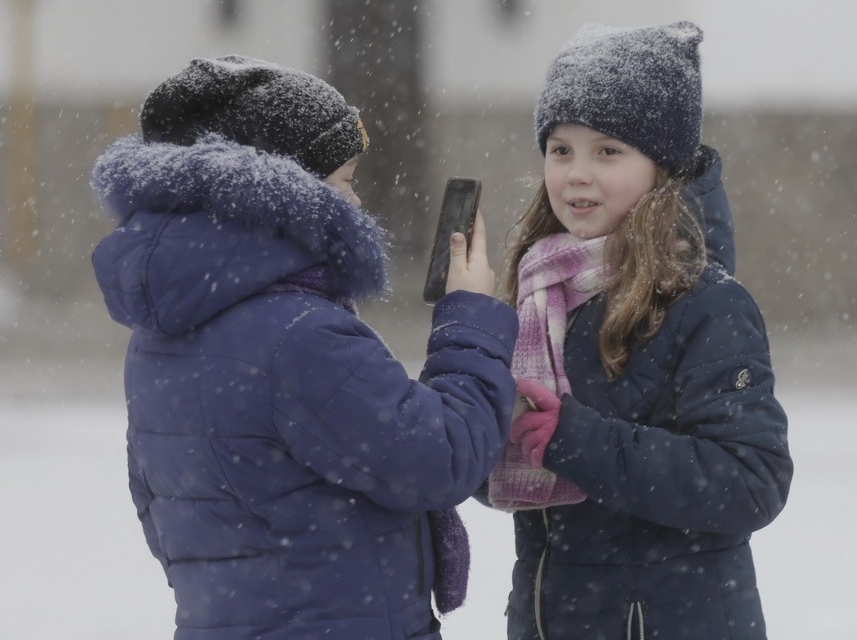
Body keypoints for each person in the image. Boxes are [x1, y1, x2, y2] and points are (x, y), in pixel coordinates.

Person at [89, 55, 518, 639]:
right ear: (289, 192)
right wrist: (468, 317)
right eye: (345, 180)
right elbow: (437, 460)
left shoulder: (168, 328)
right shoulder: (298, 335)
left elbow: (161, 507)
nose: (358, 204)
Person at [483, 22, 793, 639]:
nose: (576, 174)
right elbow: (507, 483)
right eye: (560, 149)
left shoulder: (706, 304)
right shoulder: (541, 290)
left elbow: (750, 483)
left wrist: (574, 437)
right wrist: (473, 409)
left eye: (607, 151)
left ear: (663, 168)